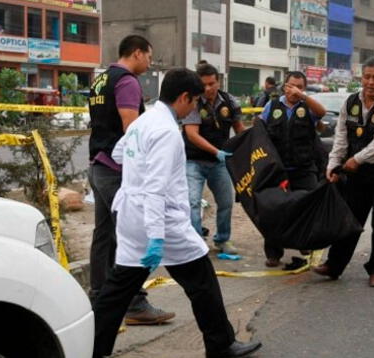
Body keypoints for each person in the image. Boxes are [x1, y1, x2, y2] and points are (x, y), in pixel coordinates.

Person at [92, 68, 262, 358]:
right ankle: (221, 345)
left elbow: (119, 154)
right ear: (184, 97)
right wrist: (157, 237)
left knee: (117, 291)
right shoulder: (167, 131)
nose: (195, 106)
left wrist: (135, 177)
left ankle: (91, 348)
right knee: (202, 282)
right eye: (195, 100)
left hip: (132, 216)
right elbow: (156, 189)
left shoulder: (142, 122)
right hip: (160, 221)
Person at [88, 35, 173, 325]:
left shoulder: (101, 80)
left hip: (98, 164)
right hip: (114, 168)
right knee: (131, 235)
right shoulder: (126, 81)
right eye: (149, 57)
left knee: (104, 236)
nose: (150, 63)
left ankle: (99, 296)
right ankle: (135, 305)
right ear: (136, 53)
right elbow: (131, 129)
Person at [313, 58, 374, 288]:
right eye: (367, 77)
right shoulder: (351, 102)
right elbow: (341, 138)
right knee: (350, 220)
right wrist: (333, 165)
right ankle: (334, 265)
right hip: (358, 175)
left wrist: (355, 160)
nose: (370, 82)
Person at [260, 71, 327, 267]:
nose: (295, 90)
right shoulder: (272, 106)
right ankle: (273, 253)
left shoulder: (307, 107)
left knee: (307, 207)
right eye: (292, 85)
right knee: (273, 211)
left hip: (304, 168)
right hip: (277, 170)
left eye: (300, 86)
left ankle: (305, 244)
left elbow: (321, 113)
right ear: (284, 86)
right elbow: (259, 131)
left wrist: (303, 96)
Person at [182, 63, 245, 254]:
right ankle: (196, 242)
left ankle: (223, 239)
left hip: (220, 163)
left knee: (226, 201)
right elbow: (192, 134)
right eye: (204, 84)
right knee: (192, 202)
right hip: (194, 161)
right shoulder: (193, 102)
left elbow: (239, 129)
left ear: (218, 81)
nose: (208, 88)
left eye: (212, 83)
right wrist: (215, 151)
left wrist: (252, 142)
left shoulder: (229, 101)